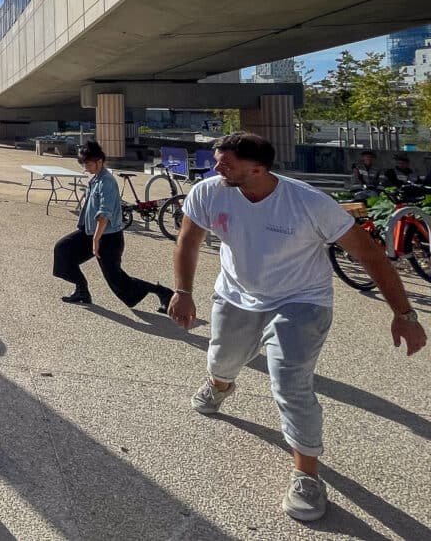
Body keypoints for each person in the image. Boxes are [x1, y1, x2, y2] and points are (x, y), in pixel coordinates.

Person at [168, 132, 425, 522]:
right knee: (222, 361)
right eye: (218, 160)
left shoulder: (308, 203)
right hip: (237, 295)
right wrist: (183, 291)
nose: (216, 168)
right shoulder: (209, 191)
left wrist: (404, 314)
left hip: (302, 299)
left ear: (258, 168)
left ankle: (307, 475)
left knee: (289, 380)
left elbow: (370, 254)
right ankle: (220, 384)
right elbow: (187, 241)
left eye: (226, 163)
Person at [53, 141, 172, 311]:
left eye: (87, 163)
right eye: (83, 163)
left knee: (117, 281)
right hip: (91, 232)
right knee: (63, 250)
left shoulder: (106, 182)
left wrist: (96, 240)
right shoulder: (96, 178)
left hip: (107, 237)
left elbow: (104, 214)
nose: (85, 167)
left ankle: (163, 292)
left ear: (99, 161)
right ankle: (82, 290)